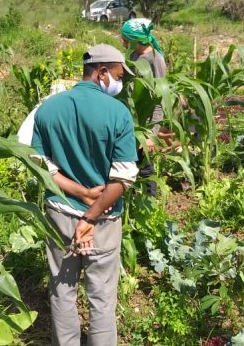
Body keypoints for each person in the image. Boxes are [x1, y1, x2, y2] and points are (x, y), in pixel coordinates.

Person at [32, 44, 139, 346]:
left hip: (59, 213)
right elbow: (123, 178)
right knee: (102, 297)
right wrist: (90, 216)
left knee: (62, 290)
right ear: (102, 72)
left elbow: (41, 165)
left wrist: (78, 192)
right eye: (118, 75)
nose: (120, 83)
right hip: (104, 218)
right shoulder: (118, 113)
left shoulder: (49, 109)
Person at [121, 18, 166, 195]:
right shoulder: (133, 56)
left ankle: (150, 207)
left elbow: (160, 100)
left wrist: (151, 135)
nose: (122, 41)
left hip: (145, 125)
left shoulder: (155, 59)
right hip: (131, 121)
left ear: (134, 38)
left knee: (145, 169)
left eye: (124, 38)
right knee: (130, 166)